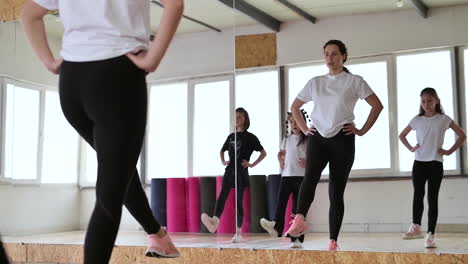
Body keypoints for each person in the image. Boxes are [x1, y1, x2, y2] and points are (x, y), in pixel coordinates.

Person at [21, 0, 184, 262]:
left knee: (117, 169)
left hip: (72, 83)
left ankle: (158, 235)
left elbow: (29, 14)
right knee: (109, 192)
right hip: (116, 77)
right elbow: (175, 4)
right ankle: (157, 235)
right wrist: (153, 58)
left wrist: (49, 62)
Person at [286, 39, 384, 251]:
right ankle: (299, 219)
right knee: (309, 178)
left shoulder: (355, 81)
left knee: (335, 191)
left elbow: (377, 105)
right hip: (318, 138)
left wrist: (362, 130)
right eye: (326, 54)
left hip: (343, 139)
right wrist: (304, 129)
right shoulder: (315, 82)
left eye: (334, 54)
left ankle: (333, 241)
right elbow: (295, 106)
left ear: (343, 56)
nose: (329, 58)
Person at [399, 87, 466, 248]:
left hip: (436, 163)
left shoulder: (444, 119)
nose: (426, 104)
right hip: (419, 164)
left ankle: (430, 235)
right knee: (418, 194)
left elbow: (462, 135)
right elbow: (402, 135)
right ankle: (416, 226)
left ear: (436, 100)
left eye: (429, 100)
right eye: (423, 101)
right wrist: (411, 148)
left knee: (432, 198)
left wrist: (449, 151)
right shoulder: (417, 120)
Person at [201, 107, 267, 243]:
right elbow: (222, 150)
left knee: (239, 201)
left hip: (241, 172)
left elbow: (263, 153)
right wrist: (223, 160)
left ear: (245, 119)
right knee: (222, 195)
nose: (237, 119)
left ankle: (238, 232)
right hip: (229, 170)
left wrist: (252, 164)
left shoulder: (251, 137)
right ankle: (215, 221)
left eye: (240, 117)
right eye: (235, 117)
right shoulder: (231, 136)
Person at [260, 111, 309, 248]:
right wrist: (280, 159)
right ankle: (276, 226)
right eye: (291, 122)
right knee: (280, 202)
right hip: (286, 176)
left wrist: (308, 162)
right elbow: (281, 153)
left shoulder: (307, 139)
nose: (293, 125)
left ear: (302, 122)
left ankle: (296, 238)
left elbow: (314, 157)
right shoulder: (287, 140)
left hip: (301, 178)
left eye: (296, 121)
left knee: (297, 209)